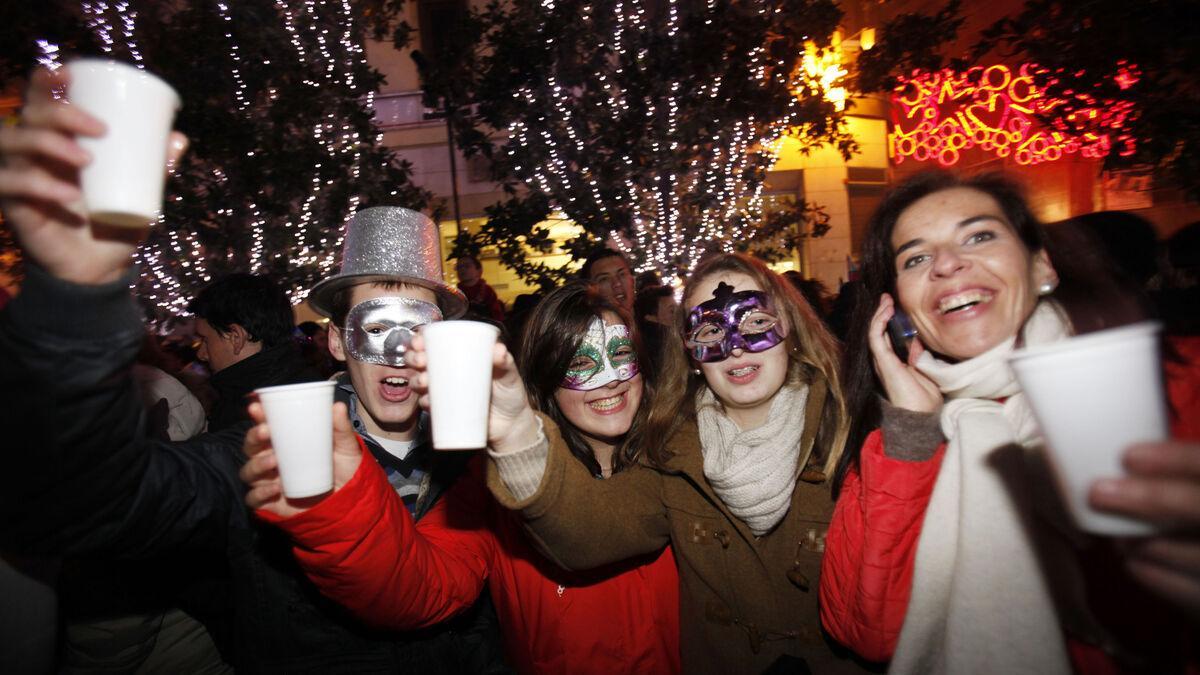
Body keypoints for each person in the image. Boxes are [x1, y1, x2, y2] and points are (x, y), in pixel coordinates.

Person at [0, 67, 507, 673]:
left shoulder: (475, 457)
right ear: (337, 343)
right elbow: (78, 504)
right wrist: (74, 300)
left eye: (418, 328)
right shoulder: (269, 451)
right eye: (376, 326)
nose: (398, 350)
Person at [819, 170, 1200, 674]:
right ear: (899, 306)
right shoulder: (900, 438)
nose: (948, 265)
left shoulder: (1177, 381)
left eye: (979, 235)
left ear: (1042, 264)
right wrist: (912, 431)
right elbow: (868, 633)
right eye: (916, 258)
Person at [411, 251, 864, 673]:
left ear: (790, 329)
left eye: (755, 320)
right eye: (709, 330)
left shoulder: (853, 437)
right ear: (689, 353)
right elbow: (590, 534)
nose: (736, 345)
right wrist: (516, 437)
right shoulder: (673, 456)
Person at [239, 282, 681, 674]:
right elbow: (420, 587)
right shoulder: (488, 486)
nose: (609, 381)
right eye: (581, 363)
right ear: (545, 380)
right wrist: (337, 514)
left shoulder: (682, 466)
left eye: (621, 355)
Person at [189, 272, 321, 431]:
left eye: (205, 340)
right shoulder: (295, 380)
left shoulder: (257, 411)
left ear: (236, 337)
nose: (201, 354)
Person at [633, 284, 676, 375]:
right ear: (651, 317)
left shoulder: (641, 344)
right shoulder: (667, 346)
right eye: (672, 311)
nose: (678, 314)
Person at [455, 254, 506, 322]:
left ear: (479, 271)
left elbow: (497, 315)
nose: (462, 269)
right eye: (459, 267)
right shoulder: (455, 294)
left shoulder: (487, 291)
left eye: (467, 266)